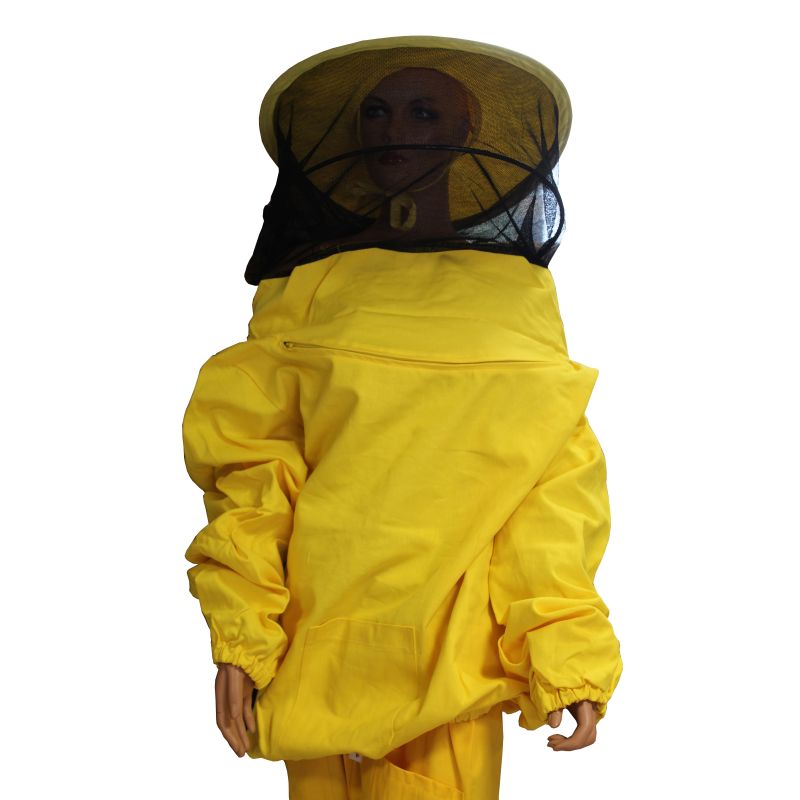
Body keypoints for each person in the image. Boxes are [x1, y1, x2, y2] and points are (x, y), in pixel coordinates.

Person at [182, 36, 623, 799]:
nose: (394, 130)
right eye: (377, 113)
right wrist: (241, 633)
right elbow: (255, 473)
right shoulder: (307, 291)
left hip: (454, 666)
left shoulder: (513, 303)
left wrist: (567, 653)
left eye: (424, 112)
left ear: (466, 133)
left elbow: (547, 499)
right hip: (315, 653)